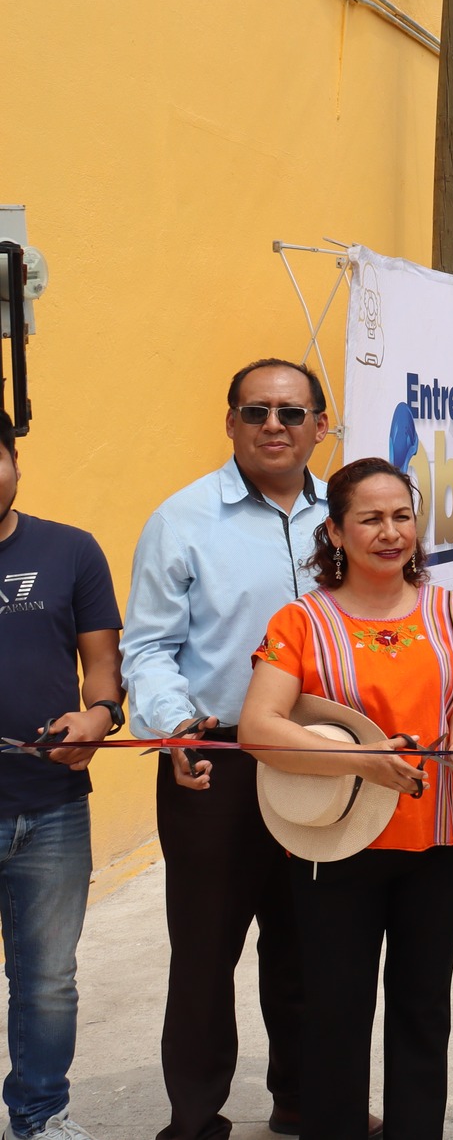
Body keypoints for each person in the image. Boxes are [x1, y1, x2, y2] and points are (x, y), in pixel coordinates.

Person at [237, 457, 453, 1140]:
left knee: (422, 1008)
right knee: (336, 1012)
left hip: (441, 837)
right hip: (334, 842)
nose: (390, 532)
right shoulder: (301, 620)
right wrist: (360, 761)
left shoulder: (450, 609)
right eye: (371, 519)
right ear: (336, 532)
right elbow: (259, 727)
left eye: (401, 516)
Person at [124, 358, 330, 1140]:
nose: (272, 425)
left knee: (309, 940)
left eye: (290, 411)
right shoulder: (181, 519)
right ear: (229, 422)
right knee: (207, 951)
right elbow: (148, 647)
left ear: (319, 424)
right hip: (211, 758)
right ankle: (196, 1115)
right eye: (255, 411)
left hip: (321, 756)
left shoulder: (341, 515)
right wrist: (175, 728)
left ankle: (306, 1098)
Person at [0, 408, 123, 1140]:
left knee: (46, 981)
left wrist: (100, 713)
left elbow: (101, 660)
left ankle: (41, 1116)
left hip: (50, 807)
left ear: (14, 459)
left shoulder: (70, 549)